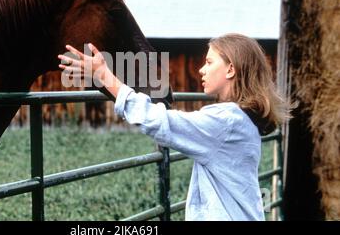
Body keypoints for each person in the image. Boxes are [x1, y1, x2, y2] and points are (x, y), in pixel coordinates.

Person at [57, 33, 290, 221]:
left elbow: (159, 121)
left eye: (209, 62)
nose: (201, 69)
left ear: (230, 70)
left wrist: (103, 75)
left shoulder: (227, 121)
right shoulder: (240, 119)